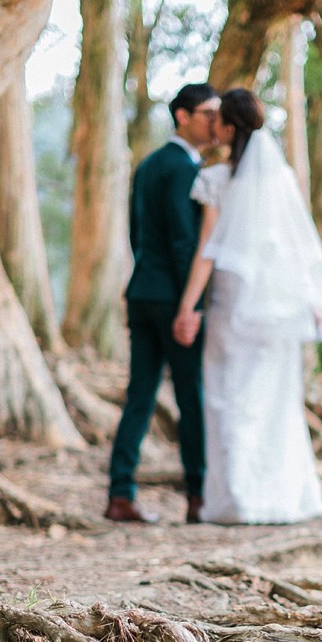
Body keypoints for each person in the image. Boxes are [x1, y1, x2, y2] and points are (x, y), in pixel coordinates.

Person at [172, 89, 322, 524]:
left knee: (229, 399)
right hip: (279, 310)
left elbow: (208, 250)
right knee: (275, 402)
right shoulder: (281, 179)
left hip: (233, 308)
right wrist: (312, 300)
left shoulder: (216, 179)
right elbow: (299, 248)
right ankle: (281, 498)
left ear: (228, 128)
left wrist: (188, 307)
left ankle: (236, 500)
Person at [105, 82, 218, 525]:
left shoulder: (148, 164)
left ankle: (120, 493)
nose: (216, 121)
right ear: (183, 116)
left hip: (141, 291)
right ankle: (197, 497)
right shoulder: (184, 169)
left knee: (140, 396)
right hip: (174, 300)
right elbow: (184, 241)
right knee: (190, 397)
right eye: (208, 112)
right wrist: (191, 305)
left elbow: (137, 233)